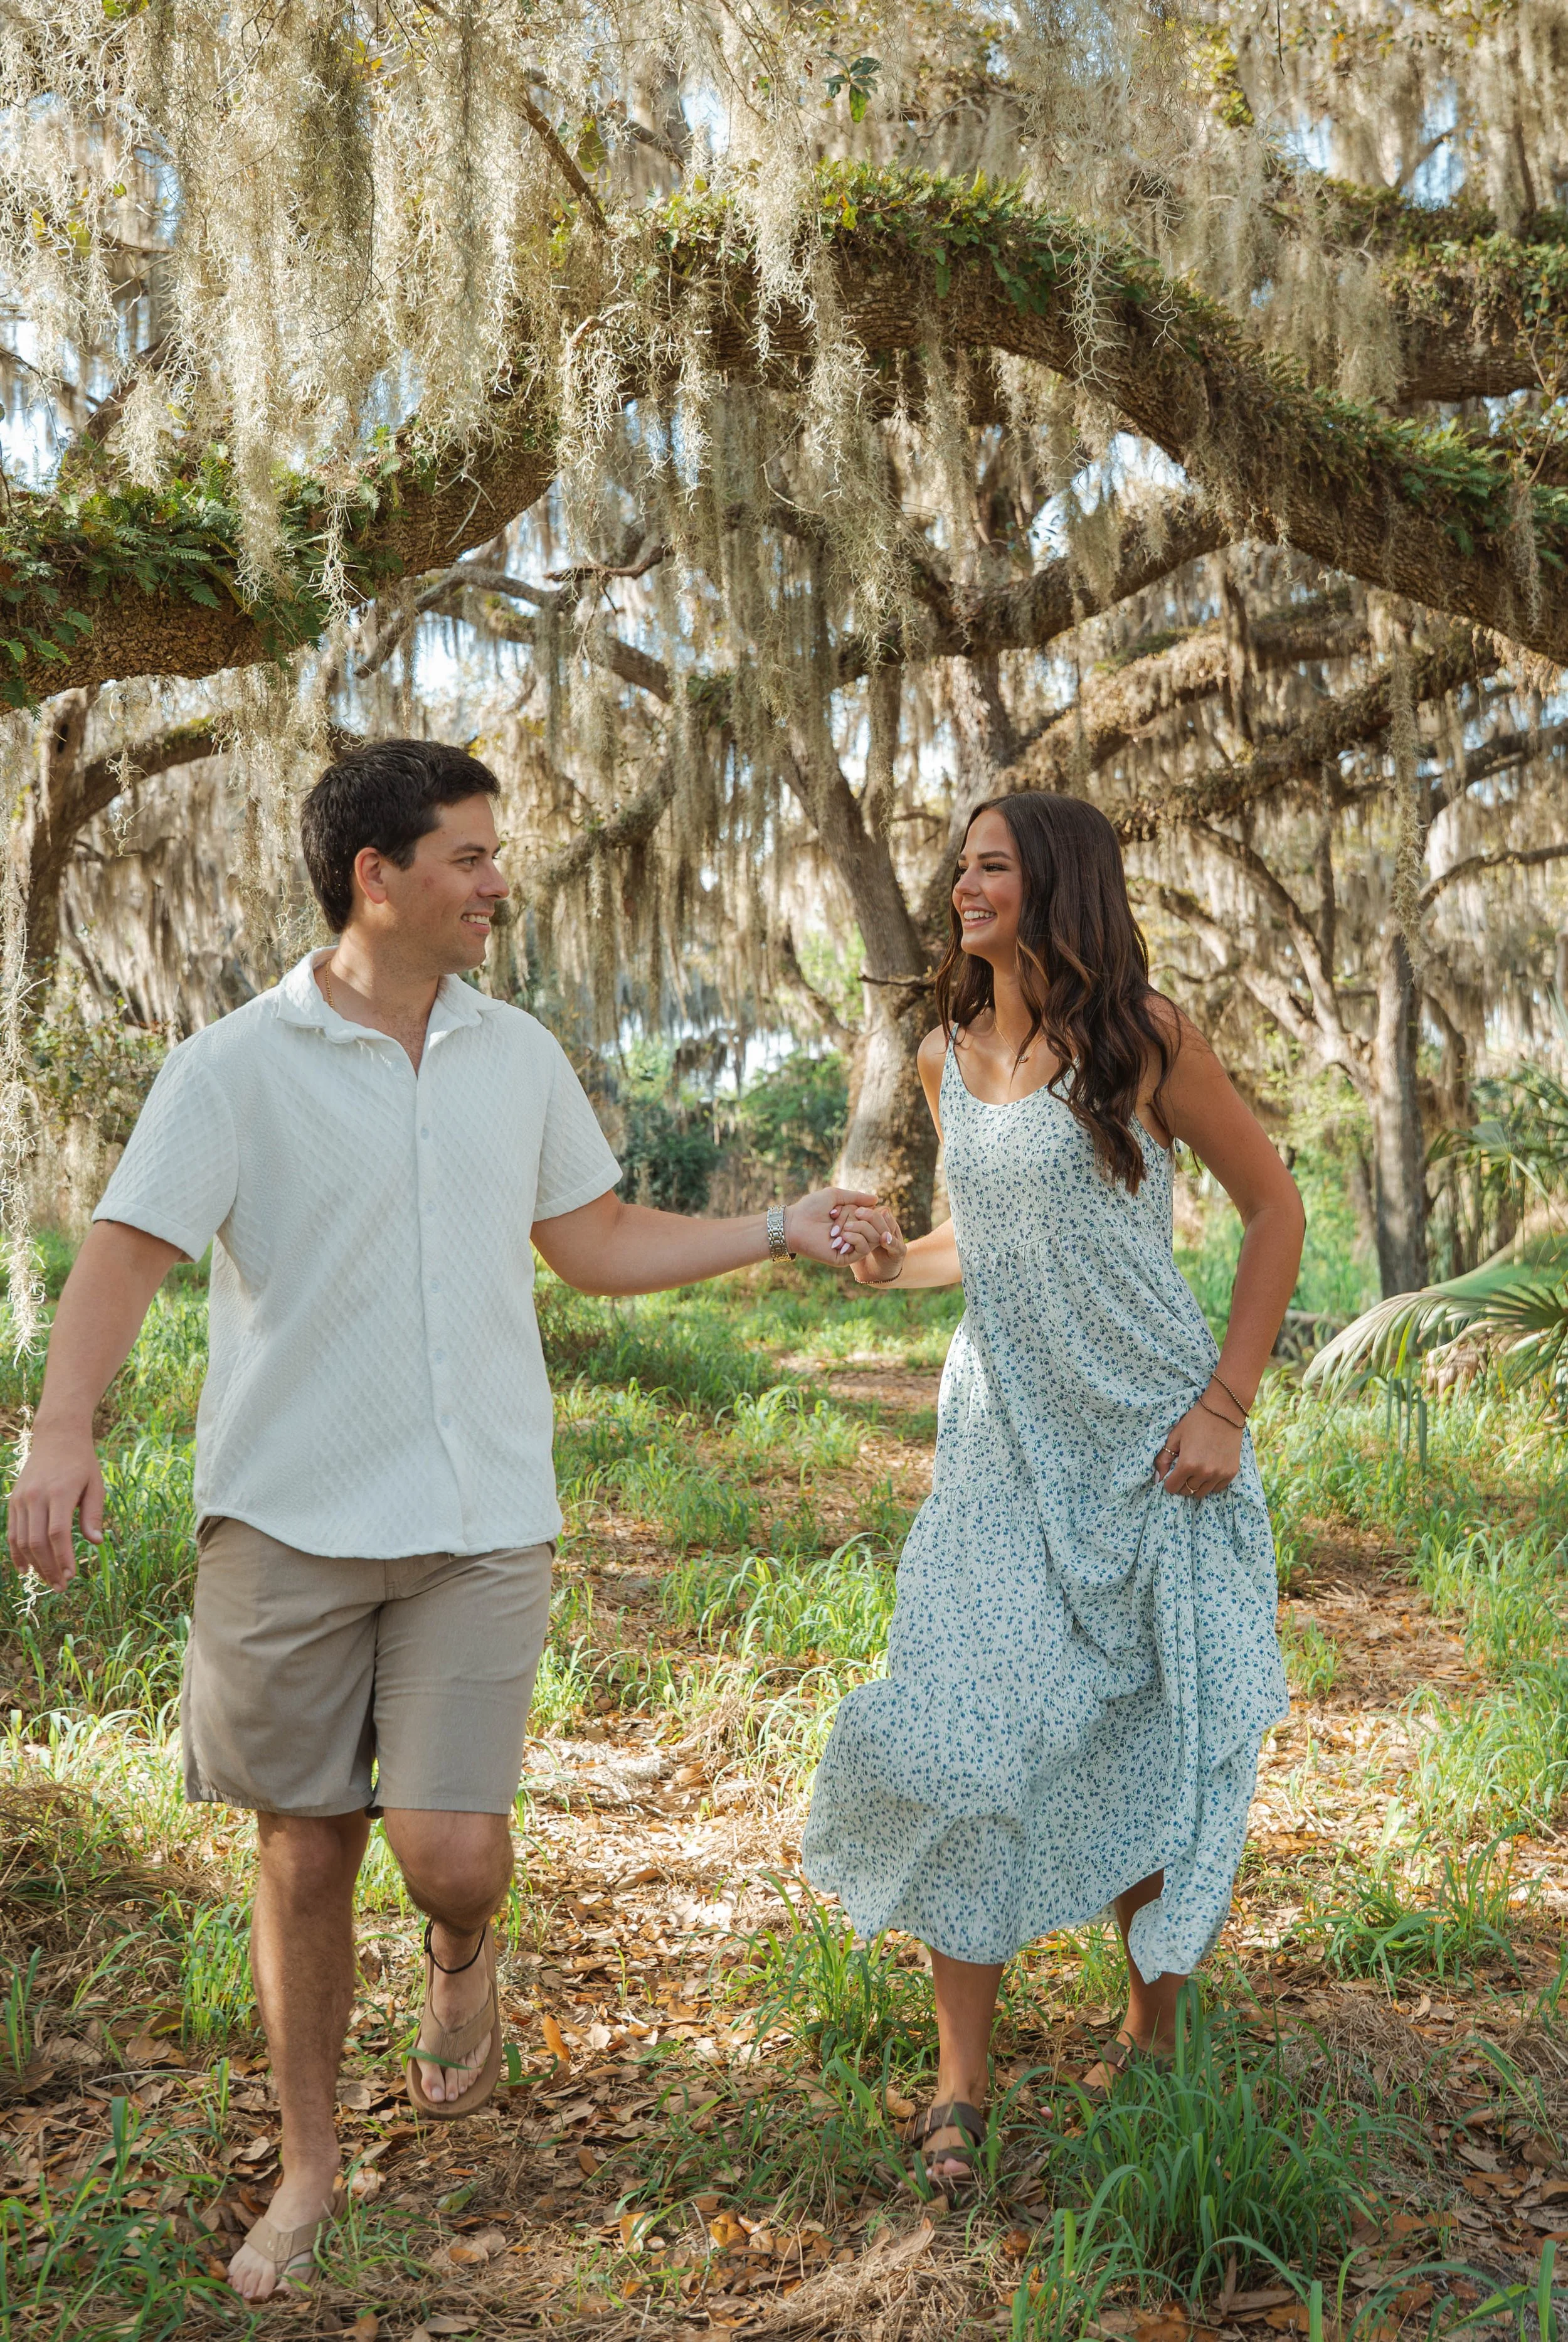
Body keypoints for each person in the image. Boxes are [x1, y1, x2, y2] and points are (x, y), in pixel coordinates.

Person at [5, 738, 891, 2302]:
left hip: (482, 1515)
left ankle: (466, 1952)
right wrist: (60, 1428)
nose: (498, 883)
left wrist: (775, 1226)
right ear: (378, 876)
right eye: (470, 857)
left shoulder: (515, 1055)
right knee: (303, 1850)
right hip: (285, 1518)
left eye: (494, 854)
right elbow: (128, 1251)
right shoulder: (232, 1067)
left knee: (451, 1852)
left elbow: (596, 1240)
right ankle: (309, 2168)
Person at [803, 792, 1301, 2195]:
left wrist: (1225, 1403)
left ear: (1057, 882)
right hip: (1000, 1443)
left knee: (1147, 1729)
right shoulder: (940, 1056)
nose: (964, 888)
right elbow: (975, 1235)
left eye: (993, 867)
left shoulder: (1142, 1037)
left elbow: (1275, 1210)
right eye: (959, 867)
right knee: (961, 1730)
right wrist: (881, 1261)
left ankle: (1152, 2031)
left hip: (1151, 1439)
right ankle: (958, 2084)